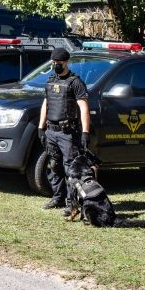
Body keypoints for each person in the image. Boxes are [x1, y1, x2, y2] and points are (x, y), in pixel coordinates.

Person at [37, 47, 92, 212]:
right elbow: (46, 104)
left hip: (67, 132)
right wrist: (41, 127)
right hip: (51, 131)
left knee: (70, 169)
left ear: (66, 62)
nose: (56, 65)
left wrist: (85, 132)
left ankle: (71, 203)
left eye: (59, 62)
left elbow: (84, 108)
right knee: (54, 165)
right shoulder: (51, 79)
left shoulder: (75, 82)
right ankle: (58, 198)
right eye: (54, 62)